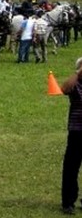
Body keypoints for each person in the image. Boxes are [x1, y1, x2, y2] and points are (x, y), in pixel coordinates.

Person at [61, 57, 82, 215]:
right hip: (77, 131)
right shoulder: (75, 85)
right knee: (71, 168)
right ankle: (68, 202)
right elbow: (64, 89)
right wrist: (78, 73)